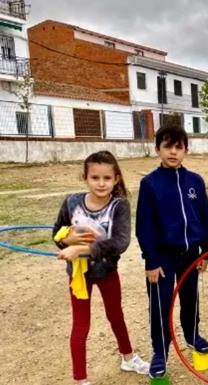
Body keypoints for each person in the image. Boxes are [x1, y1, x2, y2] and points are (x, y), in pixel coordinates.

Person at [53, 151, 149, 385]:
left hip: (107, 272)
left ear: (116, 179)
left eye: (107, 178)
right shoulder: (71, 202)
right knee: (81, 325)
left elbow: (120, 242)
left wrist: (81, 250)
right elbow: (57, 234)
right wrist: (68, 241)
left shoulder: (119, 205)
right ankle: (80, 379)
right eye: (95, 177)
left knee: (116, 315)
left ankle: (127, 357)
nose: (101, 183)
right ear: (85, 177)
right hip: (79, 275)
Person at [136, 126, 208, 379]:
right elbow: (144, 225)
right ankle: (160, 351)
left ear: (186, 150)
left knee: (191, 297)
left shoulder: (195, 181)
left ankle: (192, 334)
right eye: (167, 146)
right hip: (162, 258)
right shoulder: (150, 184)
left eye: (178, 147)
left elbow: (204, 217)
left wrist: (206, 250)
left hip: (191, 253)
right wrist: (151, 260)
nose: (173, 152)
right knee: (160, 305)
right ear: (157, 149)